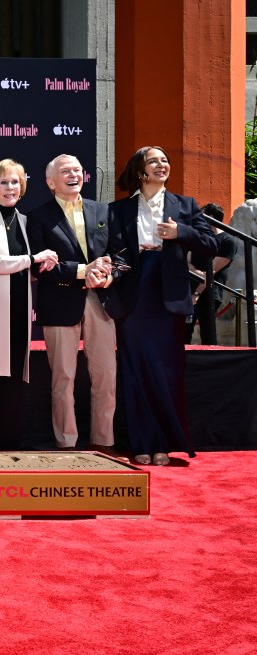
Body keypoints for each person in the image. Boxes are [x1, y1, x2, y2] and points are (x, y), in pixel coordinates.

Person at [107, 146, 216, 466]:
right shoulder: (119, 210)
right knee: (135, 372)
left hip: (168, 299)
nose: (162, 165)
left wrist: (180, 232)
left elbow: (211, 244)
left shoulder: (185, 205)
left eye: (165, 161)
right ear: (140, 170)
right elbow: (115, 252)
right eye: (153, 161)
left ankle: (164, 444)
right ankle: (141, 442)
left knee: (166, 374)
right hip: (134, 298)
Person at [26, 155, 120, 454]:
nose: (73, 175)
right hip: (59, 303)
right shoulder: (38, 218)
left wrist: (107, 276)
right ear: (51, 182)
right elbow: (39, 267)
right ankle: (66, 443)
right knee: (63, 378)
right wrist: (83, 270)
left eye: (77, 170)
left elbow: (122, 255)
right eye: (65, 171)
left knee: (106, 375)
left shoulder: (103, 210)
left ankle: (104, 442)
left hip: (100, 301)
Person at [0, 159, 57, 450]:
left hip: (18, 310)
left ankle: (8, 450)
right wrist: (32, 259)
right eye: (4, 182)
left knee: (14, 384)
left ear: (23, 187)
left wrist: (42, 264)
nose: (10, 187)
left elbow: (25, 268)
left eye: (15, 182)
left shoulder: (25, 221)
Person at [185, 202, 236, 345]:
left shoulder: (227, 241)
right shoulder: (197, 238)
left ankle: (209, 364)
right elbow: (187, 261)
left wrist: (196, 294)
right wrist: (197, 272)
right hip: (187, 290)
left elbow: (212, 271)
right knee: (183, 332)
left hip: (209, 293)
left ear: (210, 217)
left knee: (207, 334)